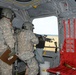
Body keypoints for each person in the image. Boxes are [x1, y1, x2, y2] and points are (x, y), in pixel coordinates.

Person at [0, 8, 15, 75]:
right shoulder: (5, 21)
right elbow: (8, 37)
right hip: (5, 50)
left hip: (1, 49)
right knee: (7, 70)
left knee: (3, 69)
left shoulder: (1, 21)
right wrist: (12, 48)